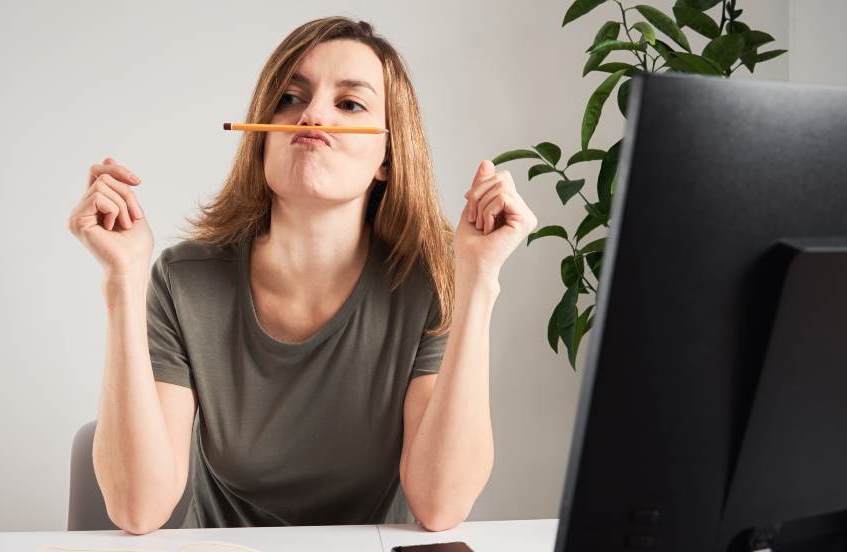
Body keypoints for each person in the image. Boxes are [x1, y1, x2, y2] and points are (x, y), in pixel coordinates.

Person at [66, 15, 537, 535]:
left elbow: (441, 504)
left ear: (388, 154)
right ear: (262, 137)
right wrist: (122, 278)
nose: (311, 115)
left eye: (350, 104)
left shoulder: (425, 286)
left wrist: (478, 280)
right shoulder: (185, 280)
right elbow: (137, 509)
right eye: (290, 98)